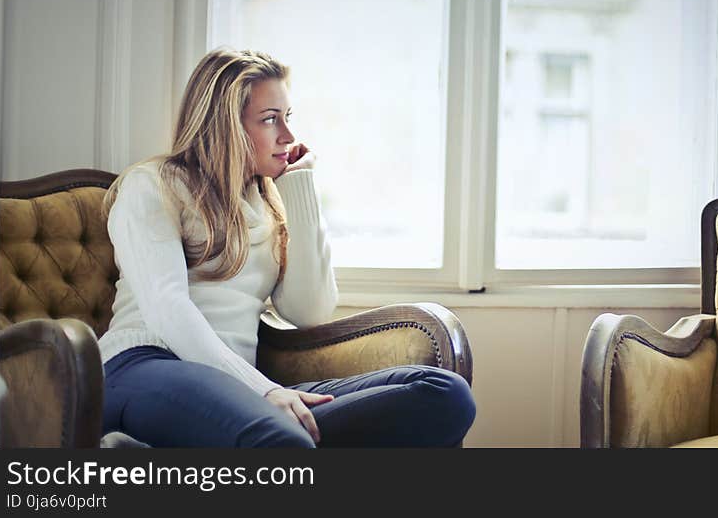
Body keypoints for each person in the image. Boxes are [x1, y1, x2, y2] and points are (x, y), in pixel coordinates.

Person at [98, 47, 476, 447]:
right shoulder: (153, 185)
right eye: (269, 120)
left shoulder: (265, 200)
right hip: (142, 366)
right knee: (284, 441)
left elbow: (307, 310)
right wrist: (264, 392)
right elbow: (167, 309)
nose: (288, 136)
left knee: (444, 394)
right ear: (225, 127)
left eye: (287, 117)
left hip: (239, 387)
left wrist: (299, 188)